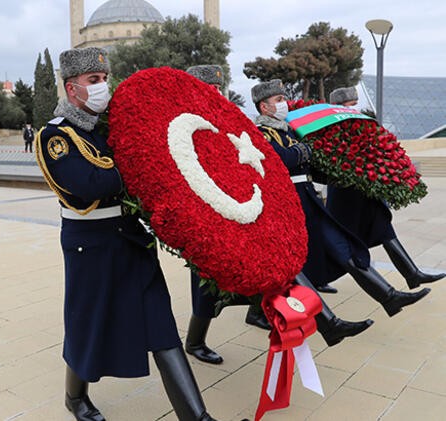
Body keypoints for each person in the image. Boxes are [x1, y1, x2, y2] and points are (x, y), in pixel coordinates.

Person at [36, 47, 219, 421]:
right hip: (91, 244)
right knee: (89, 323)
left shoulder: (114, 127)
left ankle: (198, 417)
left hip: (132, 239)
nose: (103, 86)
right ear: (72, 89)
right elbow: (86, 184)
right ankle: (76, 397)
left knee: (162, 326)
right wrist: (140, 166)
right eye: (93, 81)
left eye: (104, 79)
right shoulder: (56, 136)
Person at [181, 67, 371, 365]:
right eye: (208, 87)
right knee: (207, 288)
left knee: (274, 266)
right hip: (208, 214)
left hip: (244, 206)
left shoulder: (227, 120)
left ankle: (327, 322)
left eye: (218, 87)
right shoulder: (183, 123)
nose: (215, 93)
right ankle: (195, 341)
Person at [251, 79, 430, 318]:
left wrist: (341, 172)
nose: (284, 104)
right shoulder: (260, 134)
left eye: (283, 98)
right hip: (290, 206)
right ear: (264, 107)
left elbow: (307, 164)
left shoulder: (289, 131)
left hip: (308, 201)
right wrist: (303, 152)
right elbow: (283, 159)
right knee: (294, 266)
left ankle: (388, 297)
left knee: (342, 247)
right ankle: (276, 314)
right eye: (278, 100)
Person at [326, 87, 445, 289]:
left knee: (383, 227)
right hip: (345, 194)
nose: (356, 108)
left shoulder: (361, 126)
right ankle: (317, 280)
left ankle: (412, 274)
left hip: (366, 192)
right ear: (338, 107)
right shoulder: (330, 130)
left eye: (356, 103)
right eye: (351, 105)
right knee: (339, 240)